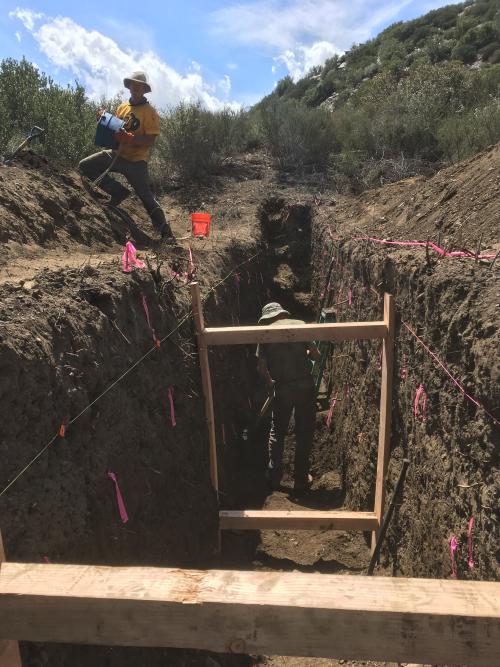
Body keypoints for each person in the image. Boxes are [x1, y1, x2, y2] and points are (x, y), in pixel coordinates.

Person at [79, 70, 175, 242]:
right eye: (133, 85)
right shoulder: (122, 107)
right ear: (129, 86)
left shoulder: (150, 112)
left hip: (136, 162)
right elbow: (114, 130)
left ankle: (165, 233)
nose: (136, 88)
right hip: (116, 154)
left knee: (147, 198)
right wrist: (104, 119)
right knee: (85, 166)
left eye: (140, 86)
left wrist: (132, 139)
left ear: (144, 90)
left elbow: (151, 140)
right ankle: (118, 192)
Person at [256, 302, 320, 495]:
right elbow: (316, 356)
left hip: (282, 388)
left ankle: (274, 477)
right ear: (283, 314)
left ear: (268, 318)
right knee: (304, 432)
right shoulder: (300, 324)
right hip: (304, 387)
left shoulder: (264, 333)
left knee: (278, 431)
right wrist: (303, 352)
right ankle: (301, 478)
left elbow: (261, 368)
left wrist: (270, 383)